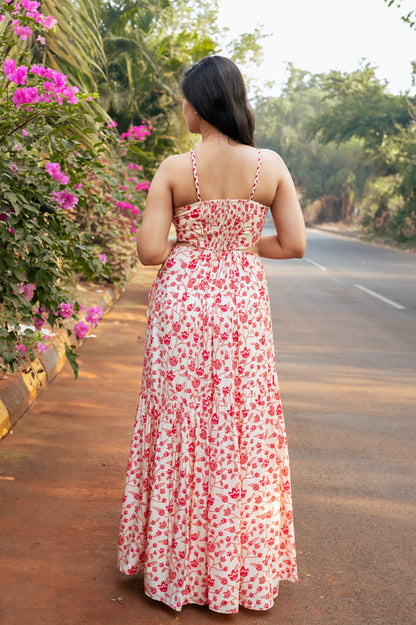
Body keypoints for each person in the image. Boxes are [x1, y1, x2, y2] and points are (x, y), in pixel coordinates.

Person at [118, 55, 306, 614]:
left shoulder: (176, 169)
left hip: (183, 301)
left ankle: (175, 569)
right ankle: (233, 570)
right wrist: (241, 247)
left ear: (198, 104)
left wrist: (192, 246)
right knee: (239, 427)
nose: (183, 107)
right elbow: (293, 245)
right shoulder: (269, 166)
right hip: (243, 307)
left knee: (179, 423)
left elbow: (150, 252)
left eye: (185, 98)